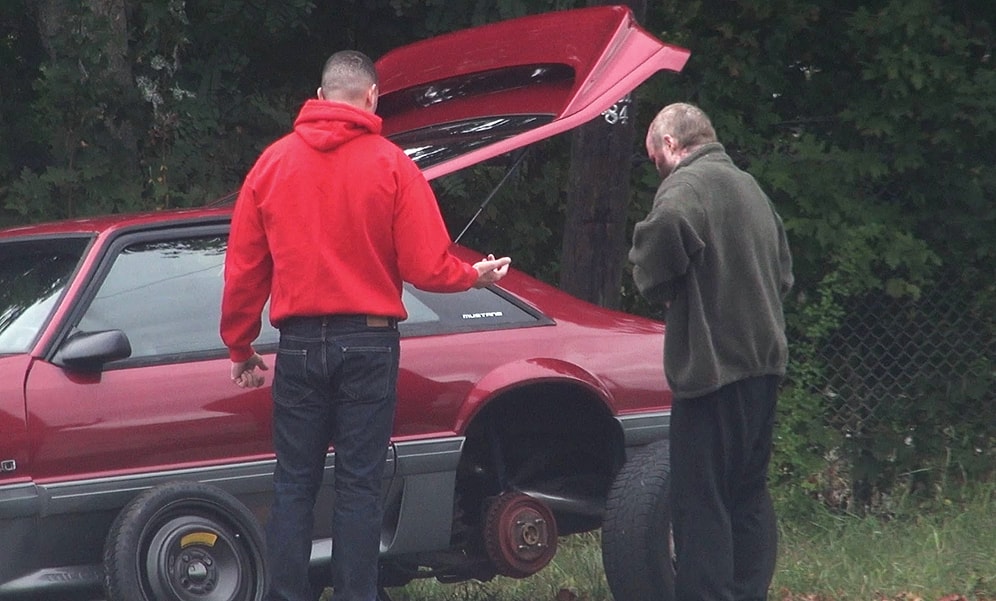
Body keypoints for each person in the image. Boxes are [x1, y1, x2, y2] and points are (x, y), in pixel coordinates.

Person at [220, 50, 511, 601]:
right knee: (358, 486)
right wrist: (471, 277)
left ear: (320, 93)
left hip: (300, 345)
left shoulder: (272, 165)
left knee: (293, 485)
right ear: (372, 97)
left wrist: (240, 347)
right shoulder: (393, 164)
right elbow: (425, 265)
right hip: (370, 342)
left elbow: (244, 269)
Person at [628, 103, 793, 601]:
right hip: (764, 368)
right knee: (747, 498)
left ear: (673, 146)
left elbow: (662, 239)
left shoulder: (686, 186)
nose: (656, 167)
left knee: (702, 504)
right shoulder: (751, 189)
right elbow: (783, 274)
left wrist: (655, 276)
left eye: (654, 156)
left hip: (713, 372)